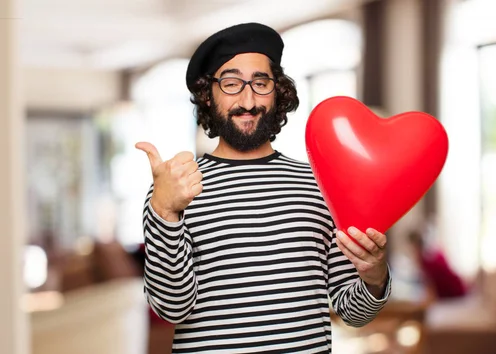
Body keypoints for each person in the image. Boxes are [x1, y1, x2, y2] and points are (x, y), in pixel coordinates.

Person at [135, 22, 391, 353]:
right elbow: (171, 308)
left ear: (278, 92)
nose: (247, 99)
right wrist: (166, 212)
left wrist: (375, 278)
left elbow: (351, 313)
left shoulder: (320, 186)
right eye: (230, 83)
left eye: (260, 82)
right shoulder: (173, 191)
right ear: (207, 96)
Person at [407, 229, 467, 300]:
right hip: (456, 288)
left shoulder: (426, 260)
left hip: (455, 290)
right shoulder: (429, 255)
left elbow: (430, 286)